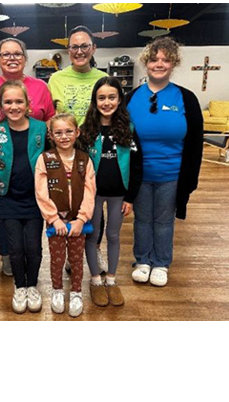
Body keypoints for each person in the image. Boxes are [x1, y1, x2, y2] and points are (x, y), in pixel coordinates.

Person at [125, 37, 203, 287]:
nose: (159, 64)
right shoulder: (131, 98)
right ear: (146, 63)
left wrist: (190, 179)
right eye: (154, 59)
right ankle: (142, 261)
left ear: (173, 64)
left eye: (165, 60)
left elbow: (196, 143)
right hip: (139, 175)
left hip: (172, 174)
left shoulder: (186, 98)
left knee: (163, 221)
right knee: (142, 219)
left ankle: (160, 263)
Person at [0, 38, 55, 277]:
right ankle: (7, 255)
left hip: (33, 168)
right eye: (6, 54)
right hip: (2, 166)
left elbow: (50, 123)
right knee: (4, 218)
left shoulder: (41, 87)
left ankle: (29, 262)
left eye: (17, 53)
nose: (12, 58)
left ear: (25, 57)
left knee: (32, 231)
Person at [48, 26, 109, 272]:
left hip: (95, 146)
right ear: (68, 50)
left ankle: (95, 248)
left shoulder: (103, 79)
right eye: (74, 46)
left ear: (93, 48)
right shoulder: (56, 79)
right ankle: (69, 251)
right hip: (65, 146)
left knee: (94, 200)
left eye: (85, 46)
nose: (79, 51)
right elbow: (51, 117)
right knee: (67, 198)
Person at [0, 80, 47, 314]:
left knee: (33, 247)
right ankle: (20, 286)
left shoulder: (42, 129)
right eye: (8, 102)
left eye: (19, 101)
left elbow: (53, 162)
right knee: (15, 248)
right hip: (8, 199)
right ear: (0, 106)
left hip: (35, 200)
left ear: (28, 104)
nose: (14, 106)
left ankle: (32, 285)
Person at [79, 77, 143, 307]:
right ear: (95, 101)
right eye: (101, 98)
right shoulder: (86, 130)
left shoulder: (129, 129)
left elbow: (137, 165)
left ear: (119, 100)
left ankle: (112, 280)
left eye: (112, 97)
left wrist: (130, 197)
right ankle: (96, 280)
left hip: (119, 195)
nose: (107, 102)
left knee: (114, 236)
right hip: (93, 195)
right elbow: (77, 164)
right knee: (92, 235)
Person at [35, 114, 96, 317]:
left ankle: (77, 291)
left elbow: (90, 191)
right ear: (51, 135)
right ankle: (57, 290)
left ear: (77, 132)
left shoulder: (84, 160)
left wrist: (81, 219)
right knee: (57, 259)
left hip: (78, 222)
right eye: (58, 133)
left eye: (69, 131)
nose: (64, 136)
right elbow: (41, 192)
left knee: (77, 259)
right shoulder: (45, 159)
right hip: (56, 223)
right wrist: (53, 219)